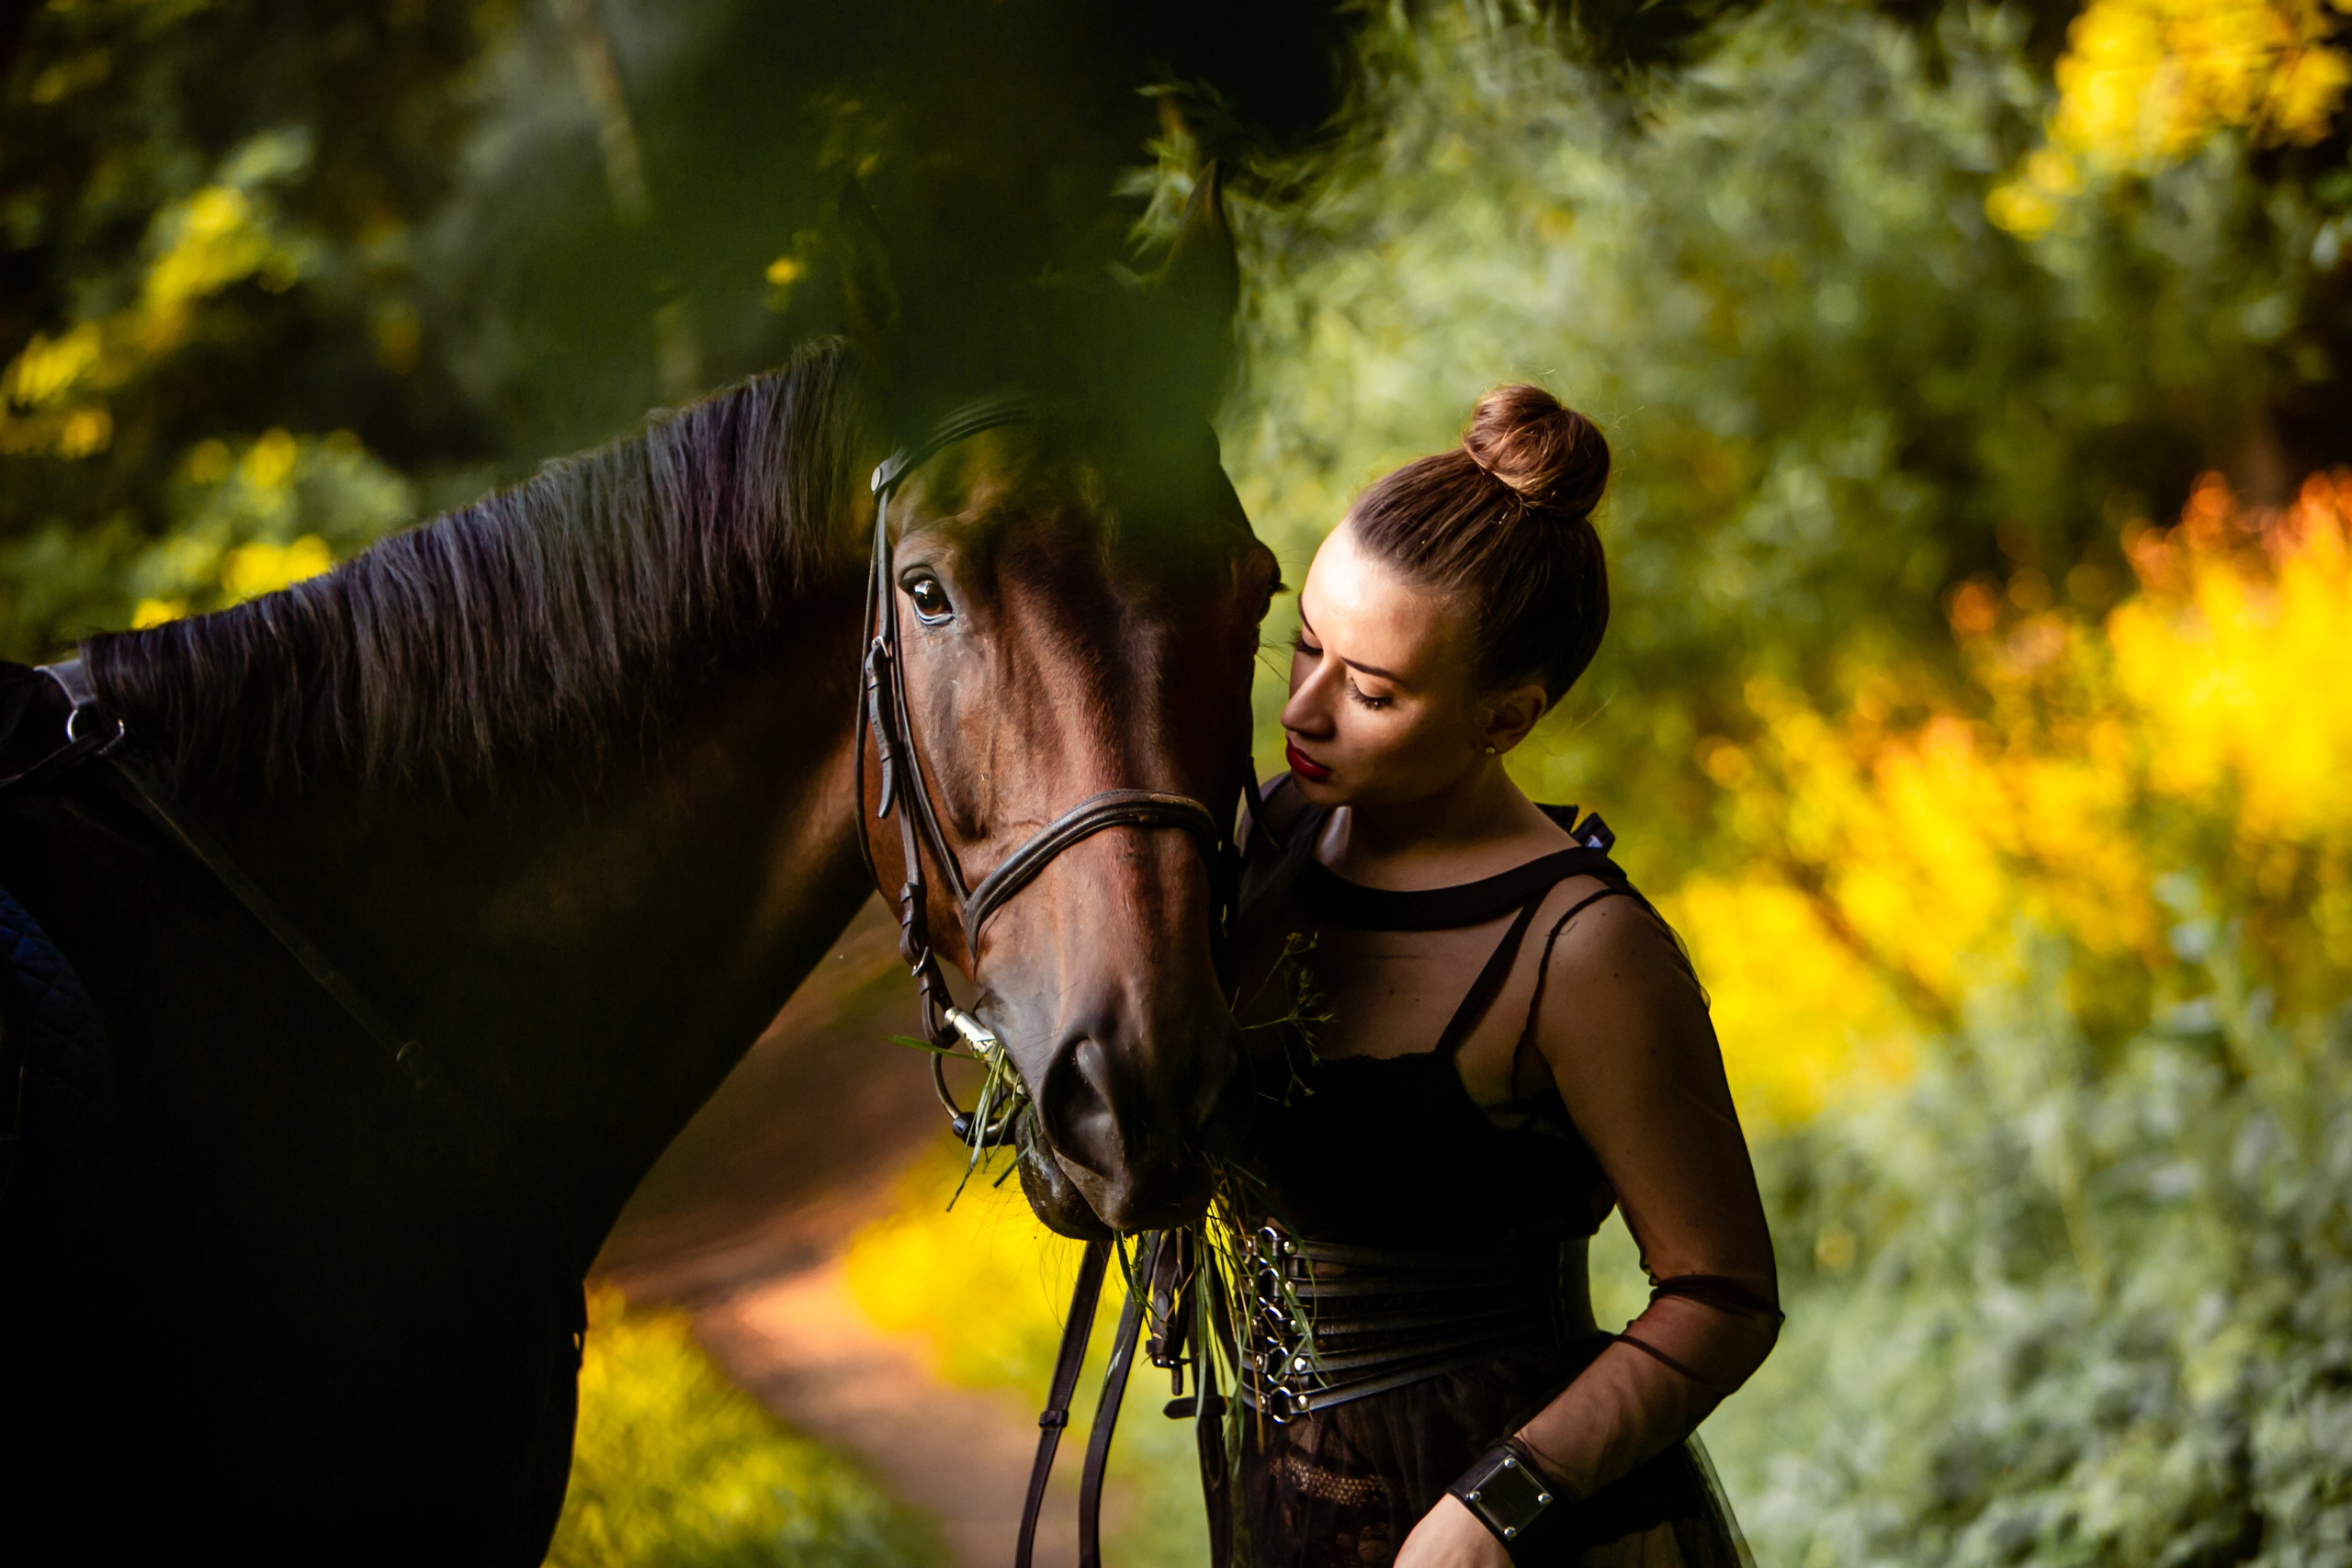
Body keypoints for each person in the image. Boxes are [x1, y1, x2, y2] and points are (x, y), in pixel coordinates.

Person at [1220, 384, 1781, 1567]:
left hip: (1519, 1528)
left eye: (1372, 692)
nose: (1305, 707)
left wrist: (1495, 1516)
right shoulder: (1256, 847)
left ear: (1505, 717)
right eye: (1305, 646)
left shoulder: (1580, 952)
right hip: (1284, 1504)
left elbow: (1721, 1296)